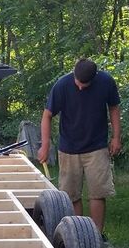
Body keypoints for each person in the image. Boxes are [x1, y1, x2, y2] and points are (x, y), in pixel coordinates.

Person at [37, 58, 122, 235]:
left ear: (94, 77)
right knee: (70, 195)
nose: (81, 87)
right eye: (78, 83)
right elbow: (47, 115)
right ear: (74, 74)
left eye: (86, 84)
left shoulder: (106, 82)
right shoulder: (62, 85)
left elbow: (114, 108)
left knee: (97, 192)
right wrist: (45, 145)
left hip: (96, 146)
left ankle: (96, 235)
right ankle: (78, 233)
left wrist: (116, 137)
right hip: (68, 147)